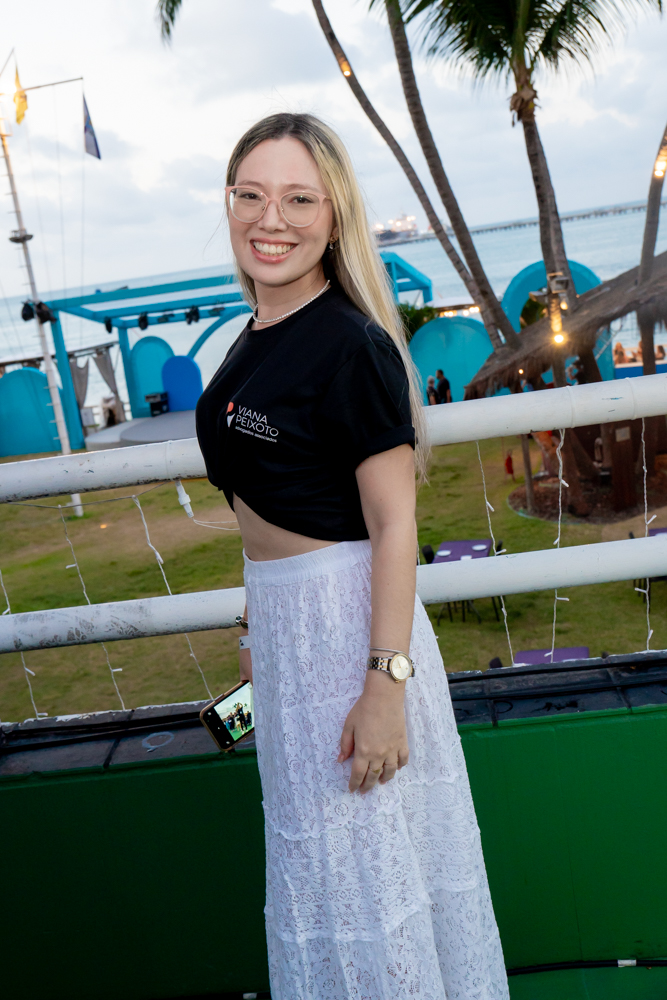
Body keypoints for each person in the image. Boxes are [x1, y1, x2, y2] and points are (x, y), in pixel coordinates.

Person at [196, 113, 507, 1000]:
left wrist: (384, 687)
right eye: (251, 195)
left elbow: (394, 525)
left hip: (351, 635)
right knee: (321, 879)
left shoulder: (351, 344)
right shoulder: (253, 335)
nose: (271, 219)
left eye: (299, 199)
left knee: (373, 876)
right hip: (287, 637)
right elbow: (261, 503)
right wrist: (254, 627)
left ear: (335, 217)